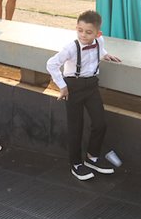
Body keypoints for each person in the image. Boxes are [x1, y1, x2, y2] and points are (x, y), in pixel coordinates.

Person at [46, 9, 122, 180]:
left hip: (92, 86)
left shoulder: (99, 41)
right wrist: (62, 86)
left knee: (100, 123)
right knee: (76, 127)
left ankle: (92, 157)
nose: (83, 35)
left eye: (88, 32)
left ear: (97, 33)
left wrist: (105, 55)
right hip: (73, 87)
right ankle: (76, 163)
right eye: (80, 30)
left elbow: (100, 50)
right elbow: (51, 64)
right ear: (76, 28)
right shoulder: (71, 48)